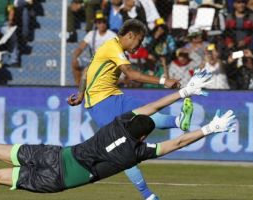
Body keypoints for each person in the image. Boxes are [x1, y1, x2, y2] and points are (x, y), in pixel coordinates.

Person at [0, 74, 237, 195]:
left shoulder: (119, 123)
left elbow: (151, 107)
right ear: (145, 139)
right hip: (58, 180)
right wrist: (210, 129)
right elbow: (178, 141)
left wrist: (183, 91)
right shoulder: (135, 154)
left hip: (56, 154)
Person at [67, 19, 187, 200]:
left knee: (147, 113)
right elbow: (132, 75)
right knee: (124, 148)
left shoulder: (111, 47)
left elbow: (87, 72)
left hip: (115, 96)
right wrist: (163, 81)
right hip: (101, 104)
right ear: (130, 35)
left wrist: (81, 93)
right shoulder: (112, 47)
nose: (139, 47)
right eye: (139, 41)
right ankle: (147, 195)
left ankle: (179, 121)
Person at [71, 11, 116, 85]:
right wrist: (75, 56)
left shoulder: (112, 35)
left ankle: (83, 89)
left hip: (106, 61)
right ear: (95, 24)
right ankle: (78, 86)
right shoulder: (91, 34)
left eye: (103, 22)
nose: (101, 24)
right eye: (99, 22)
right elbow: (81, 47)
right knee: (75, 63)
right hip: (92, 59)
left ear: (106, 23)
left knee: (86, 72)